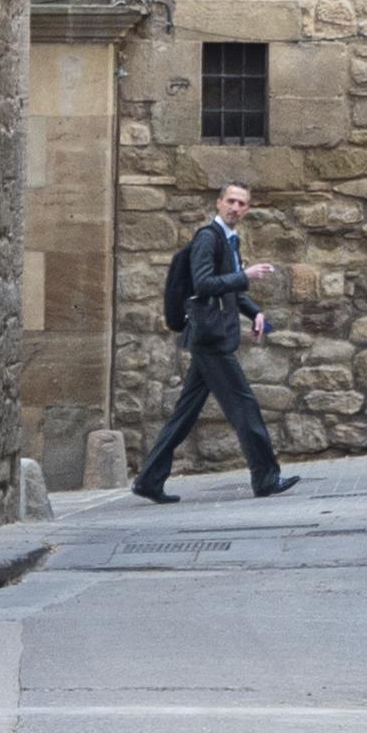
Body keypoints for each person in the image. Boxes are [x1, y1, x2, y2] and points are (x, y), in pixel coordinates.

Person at [132, 183, 297, 502]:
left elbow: (229, 290)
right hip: (211, 340)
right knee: (245, 406)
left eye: (242, 203)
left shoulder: (228, 240)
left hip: (211, 336)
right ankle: (266, 477)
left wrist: (255, 311)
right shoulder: (208, 238)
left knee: (185, 412)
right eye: (231, 201)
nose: (236, 207)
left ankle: (149, 479)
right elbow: (205, 283)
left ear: (247, 209)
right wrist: (246, 275)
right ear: (219, 203)